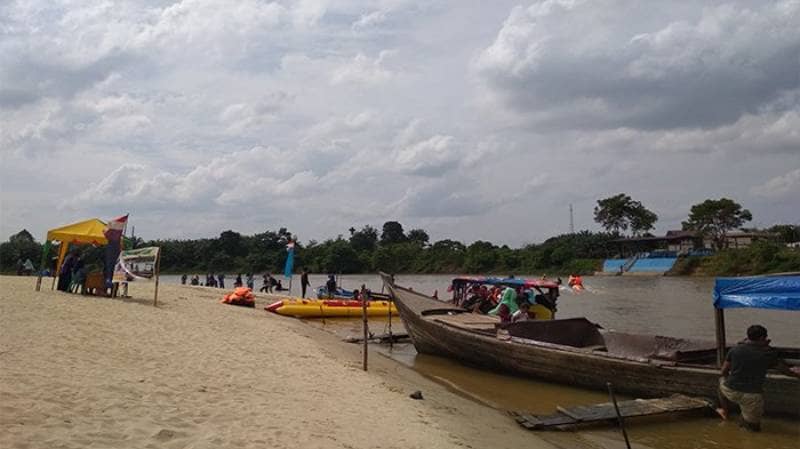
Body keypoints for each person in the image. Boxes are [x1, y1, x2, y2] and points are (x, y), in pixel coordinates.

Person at [716, 325, 800, 431]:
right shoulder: (768, 353)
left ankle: (725, 411)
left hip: (730, 391)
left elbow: (723, 372)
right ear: (761, 338)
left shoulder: (735, 350)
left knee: (721, 383)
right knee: (752, 430)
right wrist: (797, 375)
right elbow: (785, 371)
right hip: (751, 396)